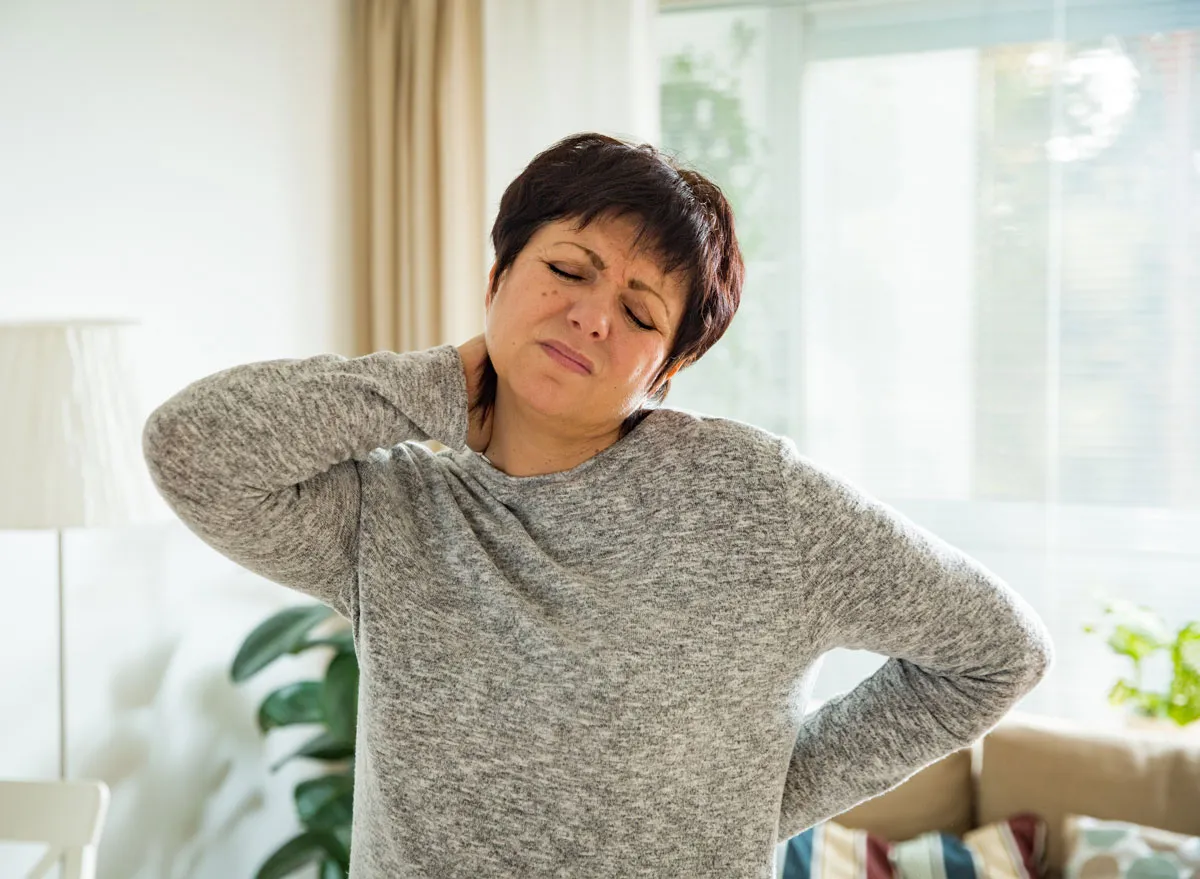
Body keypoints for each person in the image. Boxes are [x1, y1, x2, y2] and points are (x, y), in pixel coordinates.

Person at [142, 132, 1054, 878]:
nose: (591, 316)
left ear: (665, 369)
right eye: (567, 269)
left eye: (641, 310)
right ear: (497, 277)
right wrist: (445, 379)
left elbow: (996, 652)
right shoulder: (393, 513)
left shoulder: (757, 501)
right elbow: (193, 448)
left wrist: (770, 791)